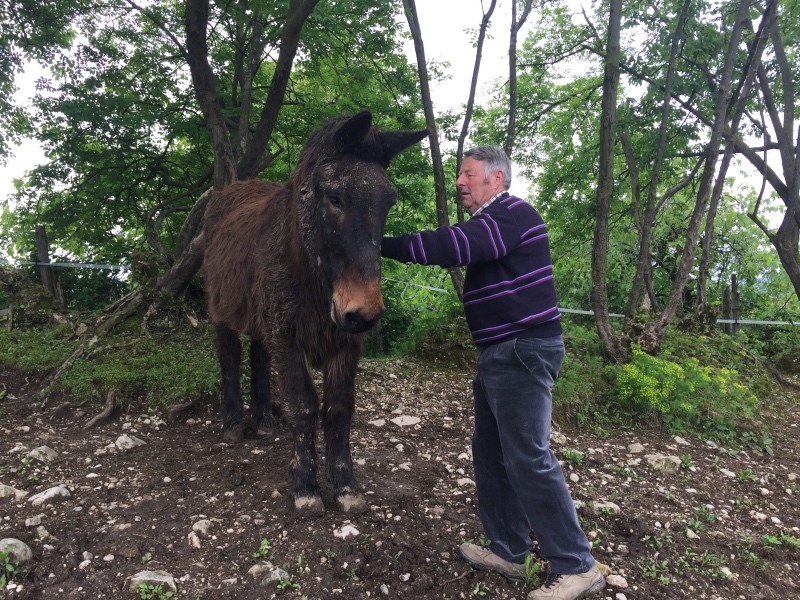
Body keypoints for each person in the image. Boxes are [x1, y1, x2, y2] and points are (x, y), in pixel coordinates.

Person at [380, 146, 605, 600]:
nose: (460, 182)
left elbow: (454, 246)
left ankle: (577, 566)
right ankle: (509, 552)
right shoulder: (494, 220)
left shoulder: (512, 214)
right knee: (490, 454)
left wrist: (376, 243)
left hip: (522, 349)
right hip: (500, 352)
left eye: (468, 174)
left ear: (497, 179)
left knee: (527, 457)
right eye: (459, 174)